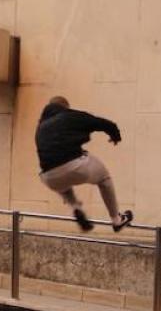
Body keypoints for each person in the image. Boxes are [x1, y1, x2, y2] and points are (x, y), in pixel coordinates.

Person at [35, 97, 132, 232]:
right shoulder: (70, 116)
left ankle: (75, 207)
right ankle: (117, 219)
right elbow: (103, 123)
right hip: (75, 166)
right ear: (65, 107)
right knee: (104, 178)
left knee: (64, 186)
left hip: (49, 177)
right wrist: (115, 136)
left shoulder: (41, 127)